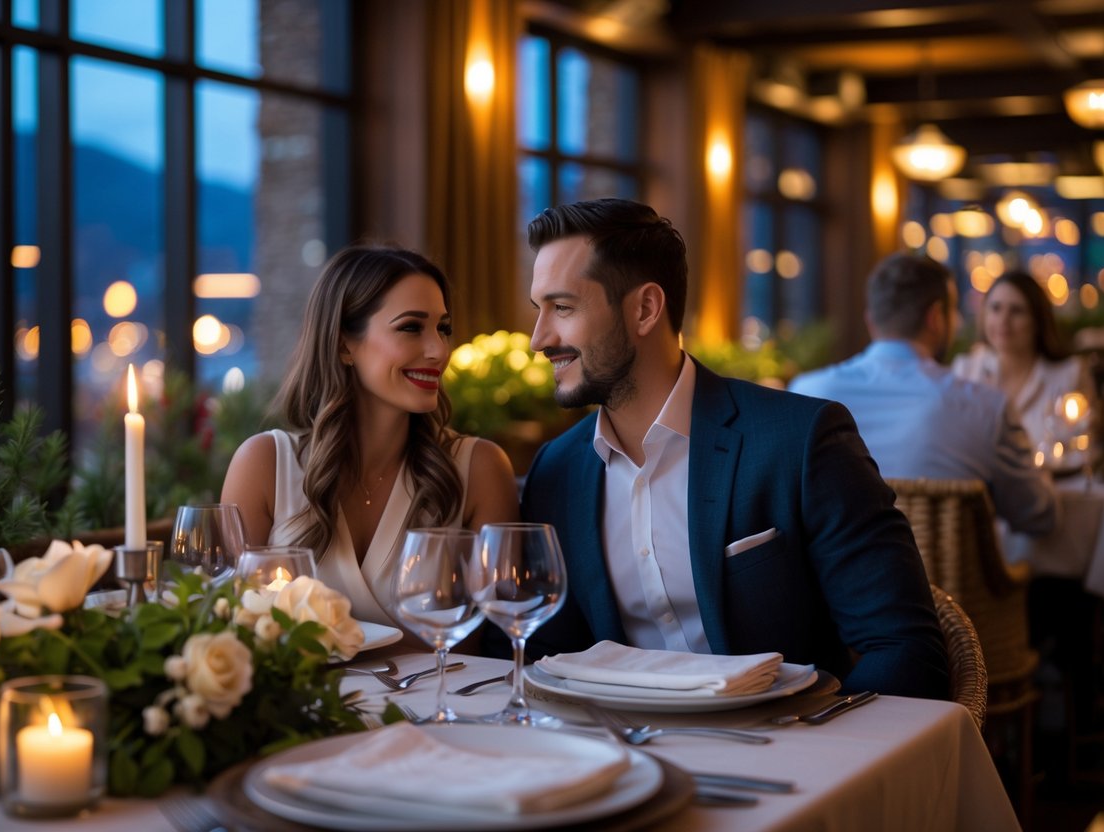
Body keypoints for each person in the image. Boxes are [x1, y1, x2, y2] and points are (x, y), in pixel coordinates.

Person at [516, 198, 948, 700]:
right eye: (539, 310)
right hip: (624, 761)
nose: (538, 338)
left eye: (562, 307)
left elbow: (905, 649)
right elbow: (548, 657)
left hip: (786, 756)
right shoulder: (557, 471)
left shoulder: (801, 441)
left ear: (644, 309)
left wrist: (816, 751)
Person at [221, 244, 519, 633]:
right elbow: (231, 623)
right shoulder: (265, 464)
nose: (439, 350)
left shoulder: (478, 468)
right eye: (411, 327)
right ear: (345, 344)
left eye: (442, 328)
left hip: (437, 695)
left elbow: (490, 643)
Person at [790, 253, 1058, 536]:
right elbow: (1039, 517)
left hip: (832, 579)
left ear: (871, 321)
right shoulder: (986, 407)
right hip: (950, 580)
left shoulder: (805, 395)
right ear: (935, 318)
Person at [952, 269, 1096, 454]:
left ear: (1037, 320)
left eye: (1017, 311)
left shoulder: (1069, 374)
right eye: (996, 308)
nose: (1003, 320)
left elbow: (1083, 450)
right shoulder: (965, 371)